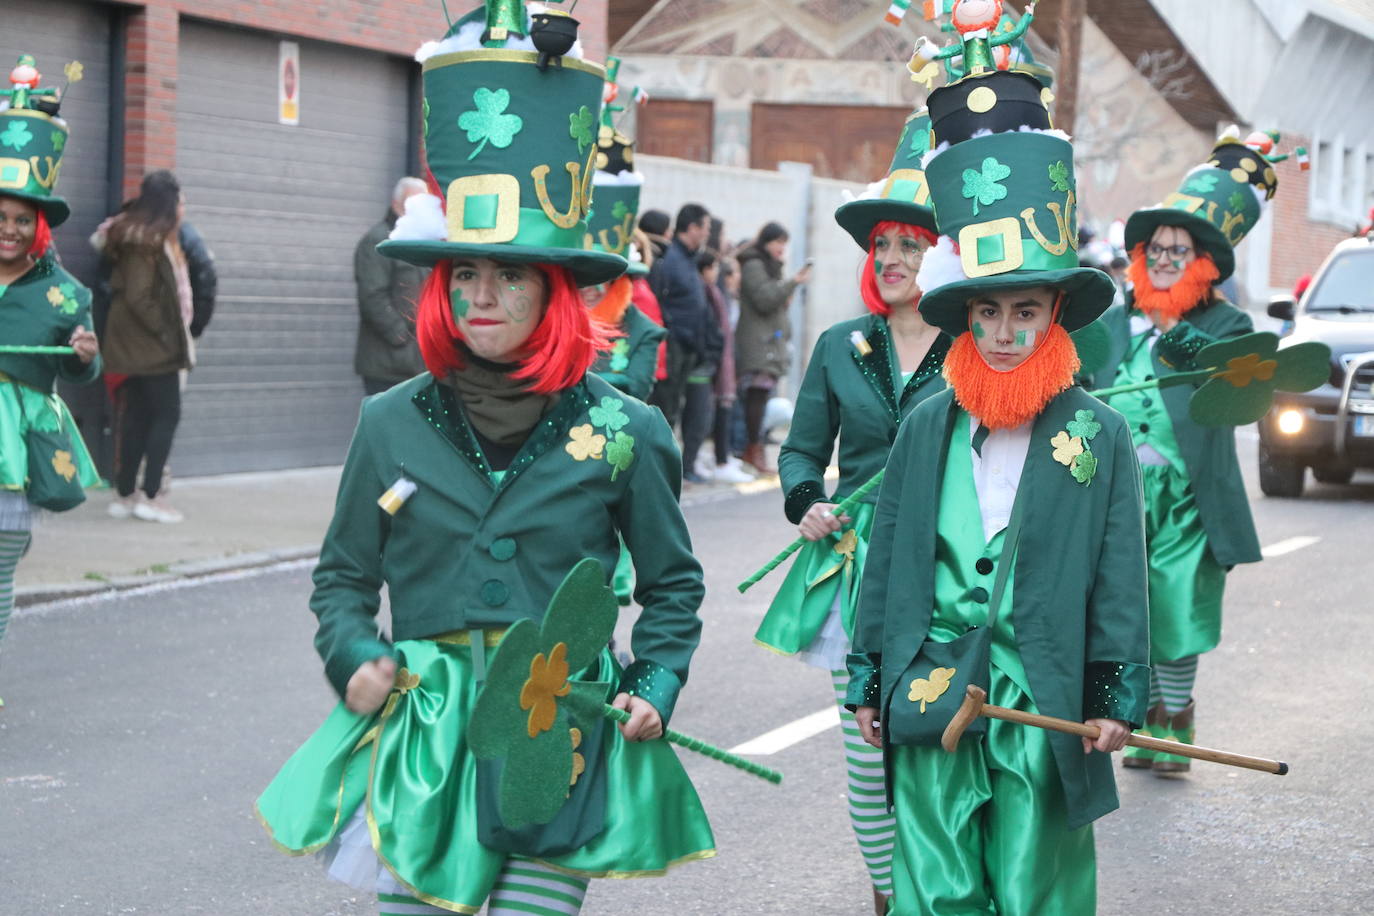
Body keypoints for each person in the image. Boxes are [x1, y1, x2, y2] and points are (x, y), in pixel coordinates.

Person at [254, 11, 713, 914]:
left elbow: (673, 585)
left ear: (554, 289)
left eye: (508, 274)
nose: (481, 294)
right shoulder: (389, 422)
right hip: (424, 743)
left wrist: (655, 683)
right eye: (463, 273)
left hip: (559, 735)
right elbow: (343, 576)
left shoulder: (624, 429)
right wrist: (352, 654)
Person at [849, 74, 1148, 915]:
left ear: (1057, 313)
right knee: (935, 887)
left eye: (1026, 312)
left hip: (1039, 701)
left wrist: (1114, 695)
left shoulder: (1099, 433)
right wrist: (869, 677)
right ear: (965, 316)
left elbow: (1120, 573)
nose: (1006, 334)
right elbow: (888, 564)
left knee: (1032, 887)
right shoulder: (925, 425)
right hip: (930, 688)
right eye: (988, 313)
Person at [753, 109, 947, 915]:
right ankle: (888, 895)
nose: (893, 258)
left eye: (912, 243)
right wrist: (808, 502)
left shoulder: (978, 345)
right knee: (866, 753)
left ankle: (941, 882)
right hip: (857, 574)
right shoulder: (840, 345)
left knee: (934, 741)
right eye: (883, 245)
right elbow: (801, 451)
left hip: (948, 570)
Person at [1089, 132, 1280, 775]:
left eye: (1180, 249)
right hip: (1118, 497)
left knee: (1174, 609)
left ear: (1202, 260)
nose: (1164, 258)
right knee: (1126, 613)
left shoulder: (1227, 326)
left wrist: (1177, 333)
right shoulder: (1117, 319)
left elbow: (1237, 381)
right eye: (1156, 248)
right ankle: (1137, 718)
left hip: (1187, 500)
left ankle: (1178, 716)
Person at [0, 62, 102, 708]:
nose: (7, 229)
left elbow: (80, 368)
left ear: (38, 227)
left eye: (20, 221)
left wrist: (85, 356)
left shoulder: (66, 294)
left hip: (16, 445)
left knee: (3, 560)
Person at [92, 170, 196, 524]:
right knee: (165, 416)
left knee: (136, 418)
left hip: (130, 346)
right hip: (151, 349)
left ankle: (125, 495)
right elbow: (139, 297)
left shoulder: (129, 235)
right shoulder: (145, 241)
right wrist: (167, 332)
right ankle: (150, 497)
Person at [734, 222, 811, 474]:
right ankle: (752, 450)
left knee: (761, 397)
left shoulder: (768, 266)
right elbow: (764, 299)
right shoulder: (754, 264)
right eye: (778, 242)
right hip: (758, 344)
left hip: (769, 342)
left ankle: (754, 450)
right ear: (766, 242)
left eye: (784, 243)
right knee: (756, 396)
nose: (782, 248)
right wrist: (792, 283)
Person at [354, 177, 429, 395]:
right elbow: (372, 296)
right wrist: (401, 337)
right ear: (397, 204)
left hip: (416, 365)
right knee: (389, 426)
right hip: (389, 366)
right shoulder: (378, 241)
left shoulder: (418, 240)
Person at [649, 203, 720, 435]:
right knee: (663, 411)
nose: (708, 234)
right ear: (692, 228)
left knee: (673, 412)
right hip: (672, 349)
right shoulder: (670, 261)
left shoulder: (688, 261)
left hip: (687, 350)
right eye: (706, 228)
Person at [693, 255, 752, 483]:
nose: (738, 277)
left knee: (720, 408)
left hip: (724, 361)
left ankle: (721, 457)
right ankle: (715, 459)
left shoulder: (725, 297)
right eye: (733, 272)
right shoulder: (713, 294)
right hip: (712, 362)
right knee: (705, 413)